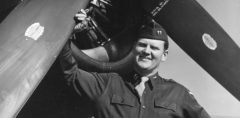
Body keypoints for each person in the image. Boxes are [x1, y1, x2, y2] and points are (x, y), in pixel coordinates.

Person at [59, 15, 211, 118]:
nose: (146, 51)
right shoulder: (108, 83)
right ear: (133, 48)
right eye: (142, 45)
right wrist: (67, 32)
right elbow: (71, 74)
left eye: (154, 48)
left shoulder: (179, 94)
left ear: (164, 55)